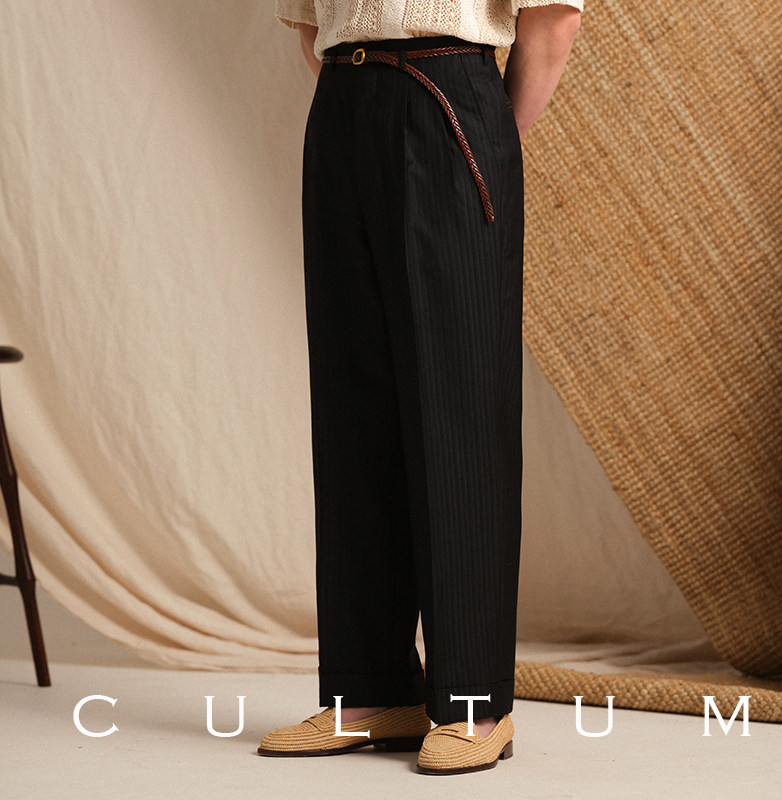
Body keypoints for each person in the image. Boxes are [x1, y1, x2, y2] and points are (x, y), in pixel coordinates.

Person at [259, 0, 582, 775]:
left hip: (450, 100)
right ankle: (370, 693)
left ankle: (474, 704)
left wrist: (482, 136)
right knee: (353, 405)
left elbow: (553, 21)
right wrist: (364, 107)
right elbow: (309, 24)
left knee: (459, 408)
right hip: (342, 101)